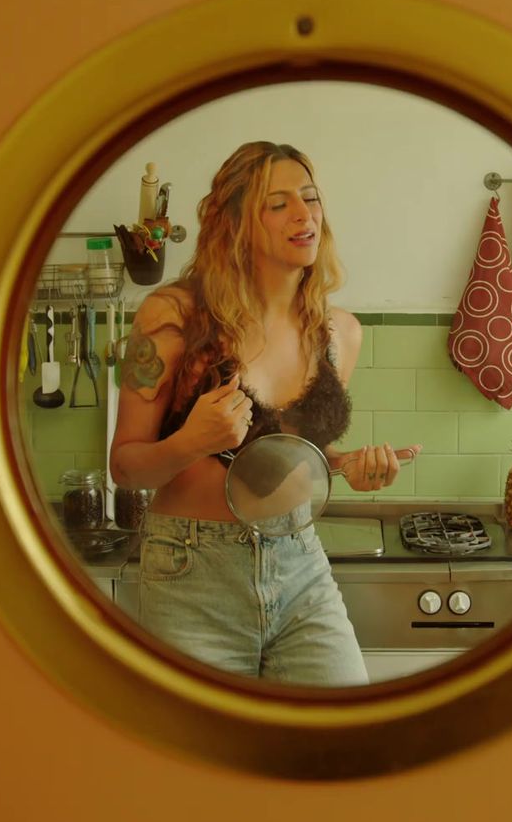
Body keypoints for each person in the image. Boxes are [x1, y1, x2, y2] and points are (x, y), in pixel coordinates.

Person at [108, 141, 419, 687]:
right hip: (190, 572)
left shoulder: (338, 333)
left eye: (310, 197)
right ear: (235, 224)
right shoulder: (171, 316)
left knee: (342, 748)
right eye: (278, 204)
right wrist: (192, 442)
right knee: (203, 766)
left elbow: (289, 459)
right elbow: (127, 467)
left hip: (300, 564)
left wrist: (342, 464)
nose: (304, 215)